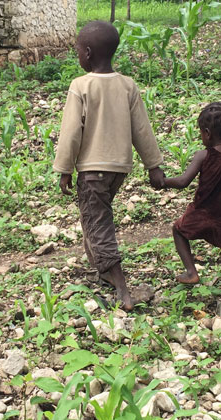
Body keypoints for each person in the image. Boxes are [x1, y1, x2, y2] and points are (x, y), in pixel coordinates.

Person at [53, 20, 166, 310]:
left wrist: (64, 168)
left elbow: (71, 132)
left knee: (98, 225)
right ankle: (103, 272)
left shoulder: (81, 86)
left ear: (87, 53)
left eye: (78, 49)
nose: (77, 53)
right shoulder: (127, 85)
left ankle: (122, 288)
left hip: (92, 170)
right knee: (93, 217)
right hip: (118, 170)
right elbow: (142, 129)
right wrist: (153, 164)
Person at [162, 102, 221, 305]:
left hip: (203, 212)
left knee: (179, 231)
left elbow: (182, 182)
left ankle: (191, 271)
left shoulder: (204, 156)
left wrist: (162, 182)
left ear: (207, 133)